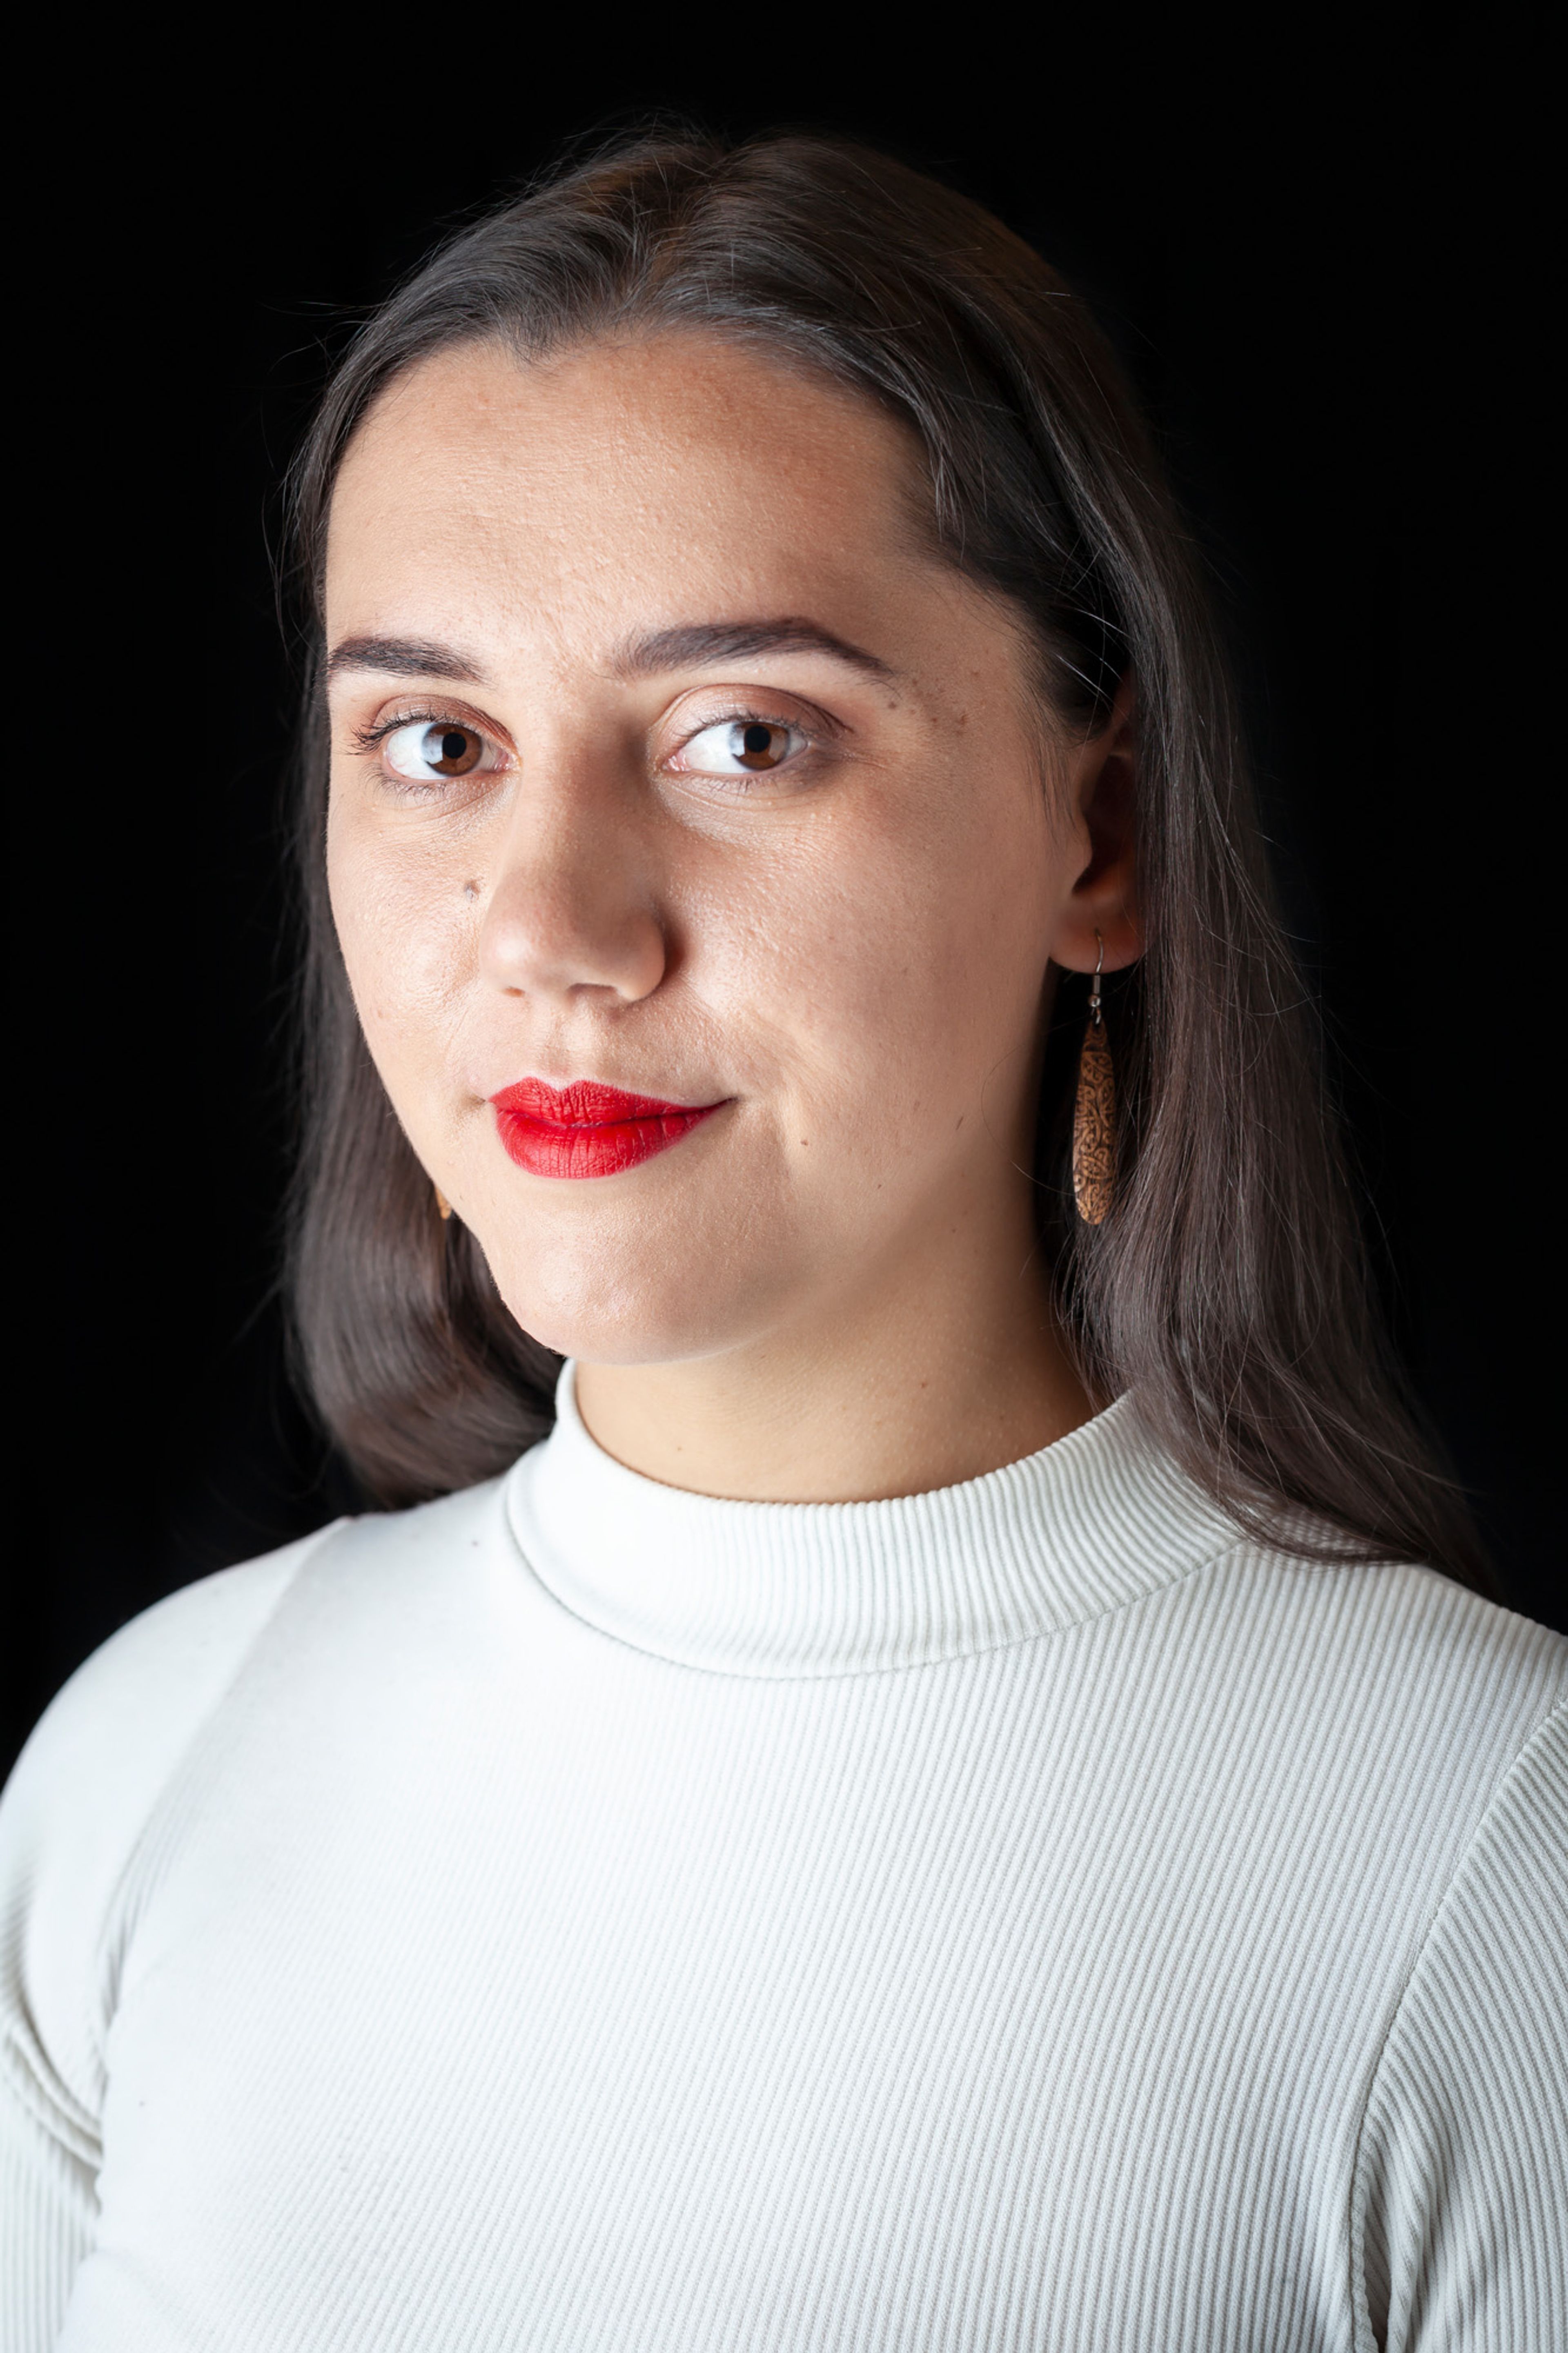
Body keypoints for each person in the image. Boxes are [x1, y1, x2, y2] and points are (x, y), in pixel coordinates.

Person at [2, 131, 1563, 2353]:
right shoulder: (145, 1766)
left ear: (1098, 827)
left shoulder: (1498, 1862)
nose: (548, 929)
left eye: (747, 735)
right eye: (435, 741)